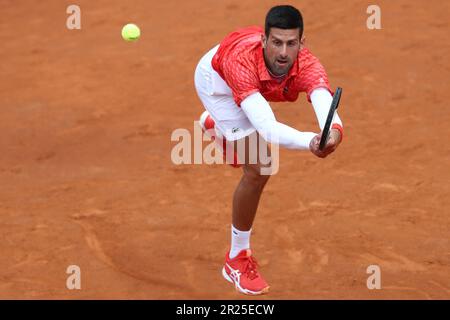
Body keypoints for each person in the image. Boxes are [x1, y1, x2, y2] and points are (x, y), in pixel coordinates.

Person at [194, 5, 344, 295]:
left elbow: (324, 102)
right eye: (276, 42)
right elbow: (268, 129)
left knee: (251, 145)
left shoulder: (308, 64)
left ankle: (220, 128)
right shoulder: (241, 63)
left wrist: (334, 133)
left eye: (291, 43)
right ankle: (236, 258)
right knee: (260, 167)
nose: (284, 53)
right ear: (264, 41)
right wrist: (311, 142)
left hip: (247, 86)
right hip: (218, 86)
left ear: (302, 43)